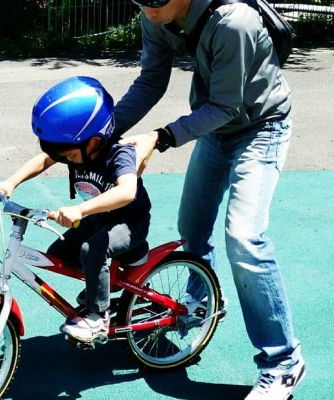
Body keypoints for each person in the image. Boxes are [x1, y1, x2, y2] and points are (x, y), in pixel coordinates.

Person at [113, 0, 305, 399]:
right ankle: (200, 303)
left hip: (261, 126)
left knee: (245, 238)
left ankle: (282, 363)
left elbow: (225, 105)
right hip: (217, 128)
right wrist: (101, 129)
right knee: (192, 227)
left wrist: (160, 137)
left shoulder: (233, 22)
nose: (147, 8)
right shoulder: (157, 15)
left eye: (156, 0)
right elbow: (151, 81)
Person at [0, 76, 154, 343]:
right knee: (60, 253)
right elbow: (45, 159)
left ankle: (97, 315)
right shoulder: (77, 147)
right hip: (97, 218)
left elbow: (127, 191)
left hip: (129, 222)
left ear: (93, 141)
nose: (64, 160)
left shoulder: (119, 153)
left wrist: (80, 209)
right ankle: (102, 285)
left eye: (67, 156)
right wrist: (11, 182)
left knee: (92, 250)